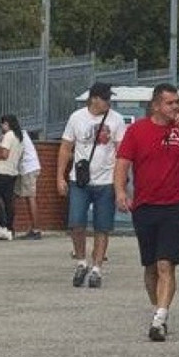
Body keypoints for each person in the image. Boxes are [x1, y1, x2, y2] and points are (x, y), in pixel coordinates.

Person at [115, 84, 179, 341]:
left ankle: (160, 318)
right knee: (150, 266)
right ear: (156, 105)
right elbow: (122, 163)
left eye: (178, 102)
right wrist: (119, 190)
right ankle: (158, 310)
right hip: (144, 205)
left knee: (166, 264)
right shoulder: (137, 130)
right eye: (170, 103)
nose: (176, 107)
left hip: (175, 206)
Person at [59, 82, 127, 288]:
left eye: (109, 99)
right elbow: (65, 148)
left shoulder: (116, 120)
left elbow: (122, 152)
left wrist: (120, 184)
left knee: (102, 226)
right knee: (76, 222)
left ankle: (97, 267)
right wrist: (59, 177)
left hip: (106, 179)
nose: (108, 102)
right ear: (94, 99)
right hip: (80, 179)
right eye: (105, 98)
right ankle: (81, 261)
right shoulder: (76, 117)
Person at [0, 114, 23, 241]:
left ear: (6, 123)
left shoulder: (8, 135)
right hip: (12, 171)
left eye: (1, 125)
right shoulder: (19, 137)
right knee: (8, 201)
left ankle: (2, 225)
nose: (1, 127)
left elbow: (4, 154)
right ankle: (9, 228)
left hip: (2, 171)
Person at [16, 125, 43, 239]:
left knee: (30, 198)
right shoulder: (22, 133)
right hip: (27, 169)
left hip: (28, 169)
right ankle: (33, 228)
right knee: (27, 198)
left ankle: (36, 229)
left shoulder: (18, 135)